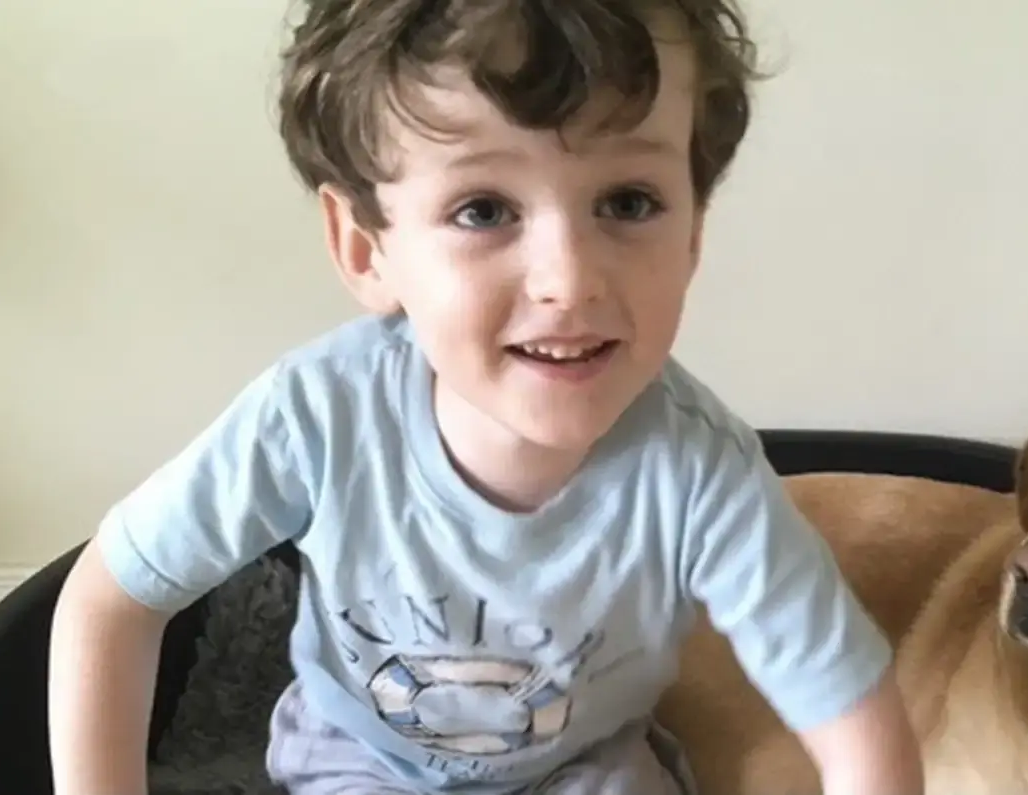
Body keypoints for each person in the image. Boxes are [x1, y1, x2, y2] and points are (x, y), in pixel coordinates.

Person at [47, 0, 925, 793]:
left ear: (694, 232)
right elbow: (110, 599)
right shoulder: (315, 417)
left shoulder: (702, 473)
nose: (569, 280)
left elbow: (858, 728)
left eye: (627, 200)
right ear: (365, 249)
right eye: (482, 210)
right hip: (359, 763)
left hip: (586, 766)